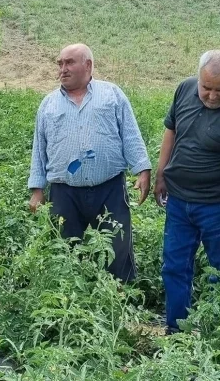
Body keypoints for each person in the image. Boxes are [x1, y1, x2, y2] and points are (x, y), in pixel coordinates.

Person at [153, 50, 220, 334]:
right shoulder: (184, 89)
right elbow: (171, 131)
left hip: (217, 206)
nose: (212, 96)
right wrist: (161, 174)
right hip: (179, 201)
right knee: (174, 267)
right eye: (206, 88)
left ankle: (218, 337)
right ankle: (177, 333)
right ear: (198, 78)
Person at [28, 43, 152, 282]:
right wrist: (36, 190)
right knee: (63, 250)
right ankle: (69, 297)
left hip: (110, 189)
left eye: (69, 62)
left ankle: (119, 298)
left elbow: (130, 134)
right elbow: (39, 149)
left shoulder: (112, 94)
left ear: (88, 65)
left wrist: (142, 169)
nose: (62, 69)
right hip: (64, 192)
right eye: (60, 63)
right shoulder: (48, 104)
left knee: (117, 246)